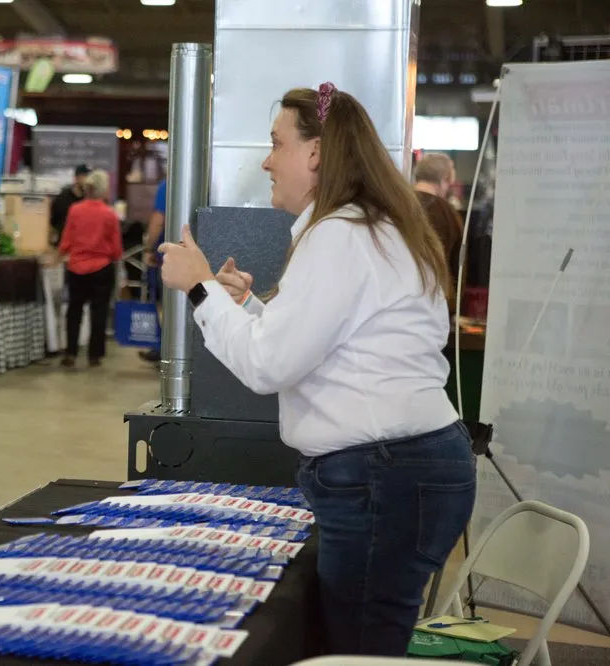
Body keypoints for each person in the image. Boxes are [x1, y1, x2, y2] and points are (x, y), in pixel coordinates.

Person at [159, 83, 475, 656]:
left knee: (356, 650)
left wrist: (201, 289)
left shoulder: (341, 235)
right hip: (400, 468)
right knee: (365, 639)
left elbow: (269, 365)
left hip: (386, 474)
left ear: (315, 154)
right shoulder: (363, 227)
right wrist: (246, 308)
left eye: (276, 143)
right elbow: (322, 348)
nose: (265, 159)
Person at [58, 169, 122, 368]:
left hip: (76, 268)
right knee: (99, 312)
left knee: (74, 311)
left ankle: (70, 352)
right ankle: (95, 355)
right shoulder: (109, 214)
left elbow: (66, 240)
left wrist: (58, 255)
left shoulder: (75, 210)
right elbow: (117, 249)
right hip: (101, 268)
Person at [414, 153, 464, 312]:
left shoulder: (395, 205)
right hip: (434, 303)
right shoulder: (448, 214)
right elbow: (458, 266)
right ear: (444, 179)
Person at [139, 178, 168, 363]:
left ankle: (163, 350)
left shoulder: (168, 185)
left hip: (167, 256)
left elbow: (158, 220)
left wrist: (149, 248)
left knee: (166, 305)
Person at [50, 164, 89, 243]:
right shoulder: (62, 198)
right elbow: (53, 221)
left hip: (83, 244)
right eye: (85, 176)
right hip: (63, 244)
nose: (87, 181)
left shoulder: (89, 199)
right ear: (76, 178)